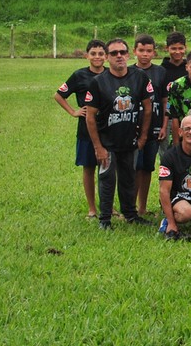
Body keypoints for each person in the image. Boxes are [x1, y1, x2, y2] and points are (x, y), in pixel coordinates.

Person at [84, 38, 155, 229]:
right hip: (107, 142)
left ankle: (130, 214)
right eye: (114, 53)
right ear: (107, 57)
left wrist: (143, 137)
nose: (119, 56)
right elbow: (90, 117)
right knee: (107, 179)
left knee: (129, 178)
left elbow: (148, 108)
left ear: (128, 54)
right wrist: (98, 147)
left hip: (130, 140)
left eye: (122, 52)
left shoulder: (139, 77)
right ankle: (105, 219)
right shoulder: (98, 82)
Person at [54, 38, 107, 218]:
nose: (97, 57)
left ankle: (107, 206)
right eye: (93, 53)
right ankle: (92, 208)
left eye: (101, 54)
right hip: (86, 129)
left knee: (106, 170)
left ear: (106, 56)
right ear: (86, 56)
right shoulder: (79, 75)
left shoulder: (110, 74)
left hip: (108, 128)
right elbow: (59, 95)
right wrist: (73, 111)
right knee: (89, 168)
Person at [132, 34, 169, 218]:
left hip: (154, 127)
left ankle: (142, 207)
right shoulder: (129, 72)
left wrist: (164, 126)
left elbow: (165, 101)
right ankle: (129, 206)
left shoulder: (160, 72)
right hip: (133, 128)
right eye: (141, 50)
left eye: (149, 51)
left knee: (147, 168)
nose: (145, 54)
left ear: (154, 52)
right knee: (133, 168)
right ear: (135, 51)